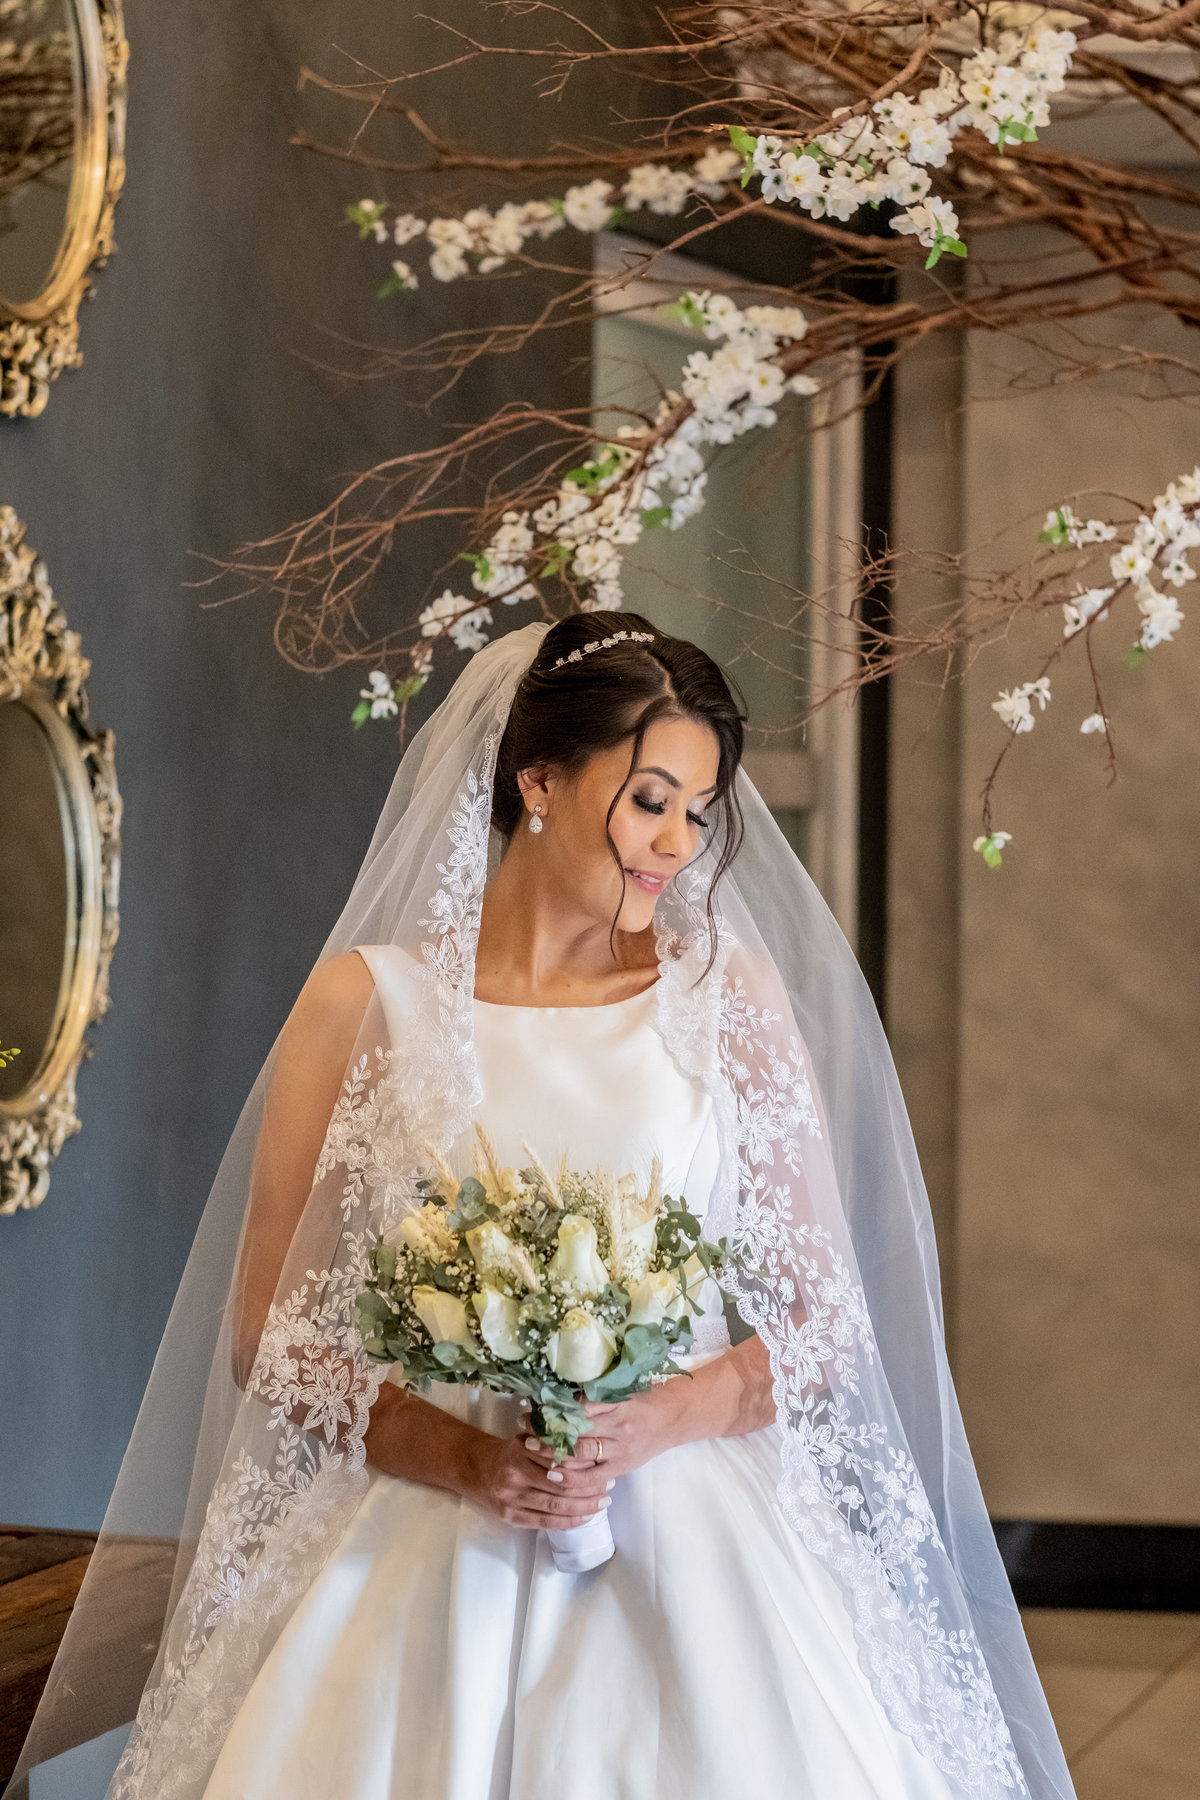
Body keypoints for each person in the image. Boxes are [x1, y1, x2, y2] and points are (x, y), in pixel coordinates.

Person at [12, 615, 1075, 1800]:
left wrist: (652, 1421)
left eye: (699, 811)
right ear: (539, 782)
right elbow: (270, 1329)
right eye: (649, 801)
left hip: (698, 1544)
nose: (677, 844)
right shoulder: (365, 1004)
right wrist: (469, 1459)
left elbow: (824, 1322)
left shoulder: (729, 1000)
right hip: (429, 1536)